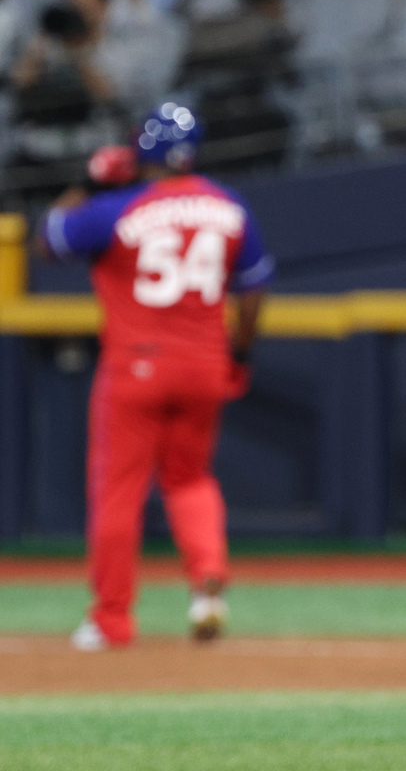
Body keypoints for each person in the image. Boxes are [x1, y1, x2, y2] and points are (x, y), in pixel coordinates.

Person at [32, 104, 274, 650]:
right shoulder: (228, 206)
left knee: (118, 490)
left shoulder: (119, 207)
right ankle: (207, 586)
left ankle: (112, 618)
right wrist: (239, 350)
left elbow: (48, 239)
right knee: (191, 478)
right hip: (206, 361)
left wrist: (86, 182)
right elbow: (255, 286)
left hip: (137, 364)